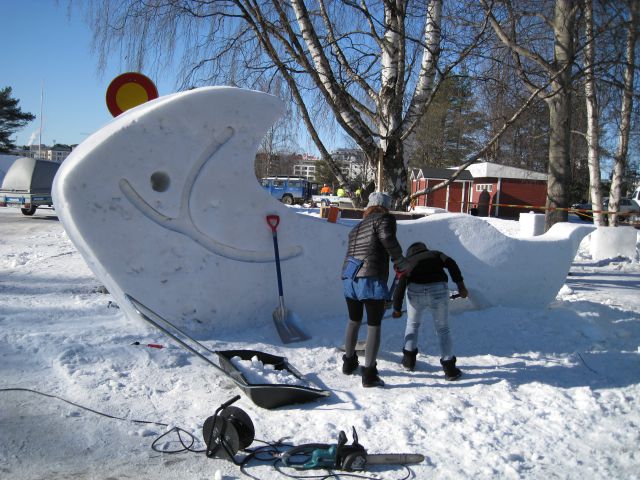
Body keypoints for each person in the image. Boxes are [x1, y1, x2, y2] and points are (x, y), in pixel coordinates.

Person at [341, 192, 410, 388]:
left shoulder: (356, 227)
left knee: (353, 321)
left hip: (349, 277)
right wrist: (400, 261)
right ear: (384, 207)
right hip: (370, 278)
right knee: (374, 325)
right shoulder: (384, 219)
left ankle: (349, 362)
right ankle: (369, 374)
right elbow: (388, 239)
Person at [391, 241, 468, 381]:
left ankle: (408, 362)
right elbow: (452, 263)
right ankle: (450, 369)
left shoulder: (407, 262)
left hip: (415, 292)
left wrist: (397, 308)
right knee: (443, 329)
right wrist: (461, 286)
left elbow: (401, 284)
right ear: (424, 249)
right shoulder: (436, 254)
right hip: (438, 290)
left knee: (412, 324)